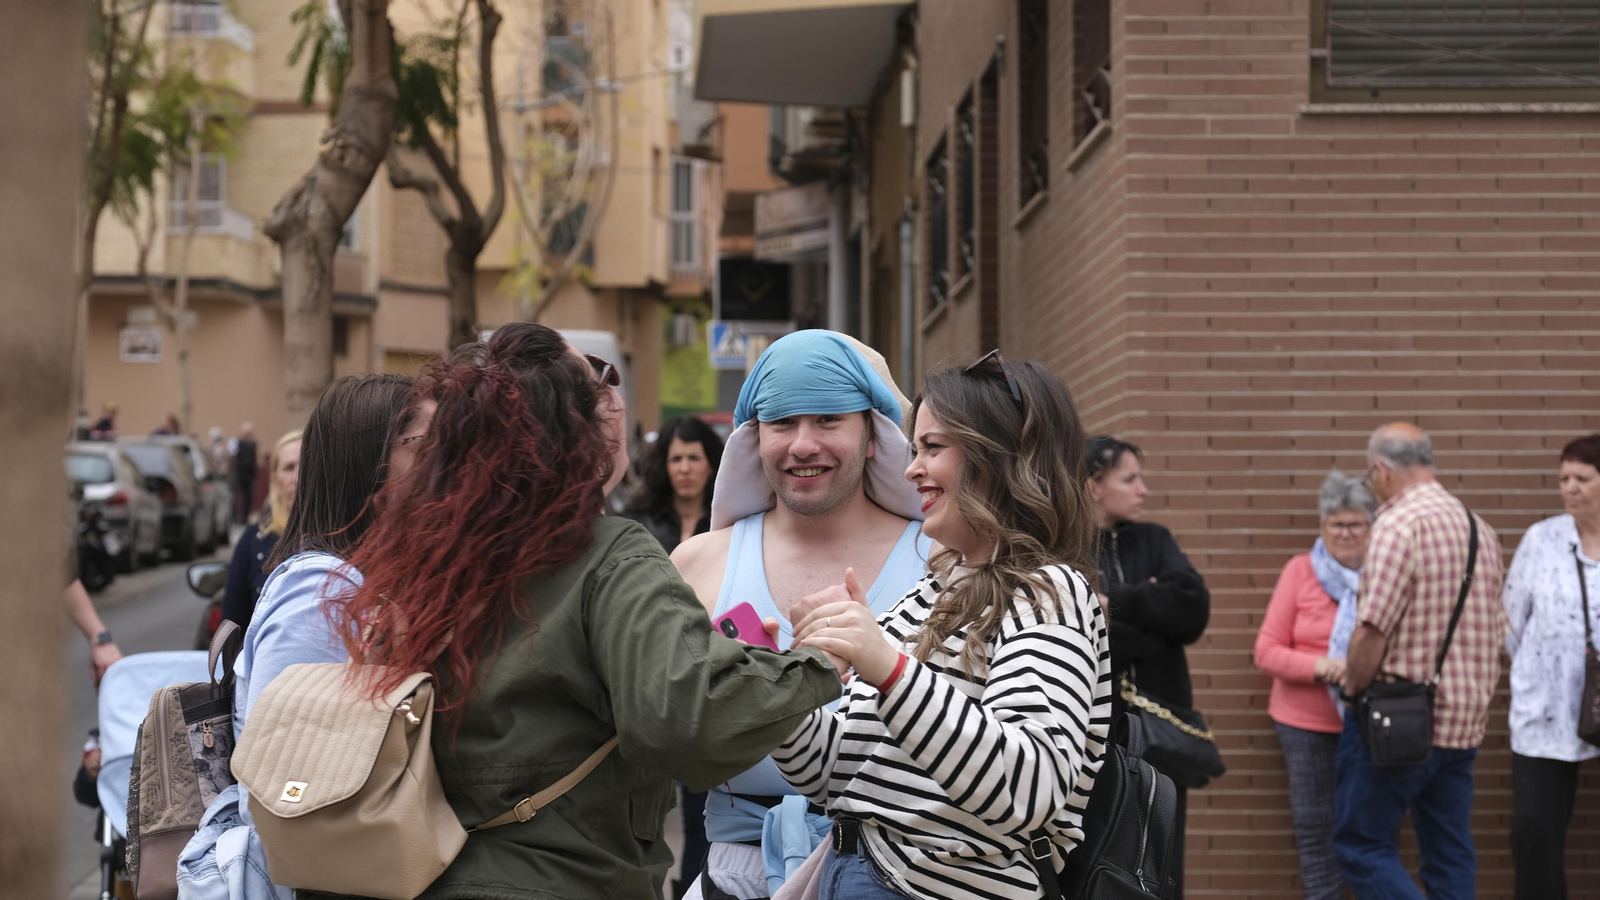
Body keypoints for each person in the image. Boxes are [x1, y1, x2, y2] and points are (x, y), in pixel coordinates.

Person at [300, 323, 847, 900]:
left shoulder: (430, 556)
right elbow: (687, 722)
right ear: (577, 427)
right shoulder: (608, 555)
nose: (614, 395)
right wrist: (815, 664)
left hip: (431, 875)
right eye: (600, 382)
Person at [772, 352, 1111, 900]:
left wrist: (888, 668)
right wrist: (783, 692)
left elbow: (1029, 789)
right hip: (858, 869)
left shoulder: (1049, 593)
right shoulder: (939, 586)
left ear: (997, 456)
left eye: (932, 448)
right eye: (914, 449)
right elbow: (840, 778)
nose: (912, 469)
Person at [672, 331, 932, 900]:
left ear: (872, 435)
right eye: (782, 423)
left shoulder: (940, 561)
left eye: (828, 420)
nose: (803, 445)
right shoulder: (697, 565)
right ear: (753, 437)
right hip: (733, 876)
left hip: (904, 873)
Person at [176, 375, 425, 900]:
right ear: (370, 463)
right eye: (424, 444)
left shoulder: (362, 580)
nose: (446, 464)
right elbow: (288, 787)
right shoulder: (319, 593)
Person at [1336, 422, 1507, 900]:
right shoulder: (1480, 530)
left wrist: (1352, 689)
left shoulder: (1398, 525)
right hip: (1463, 725)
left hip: (1396, 721)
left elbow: (1372, 629)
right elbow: (1496, 627)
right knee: (1449, 852)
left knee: (1361, 844)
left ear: (1379, 470)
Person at [1084, 434, 1209, 896]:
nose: (1143, 490)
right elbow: (1091, 642)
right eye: (1130, 479)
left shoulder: (1155, 538)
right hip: (1099, 738)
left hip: (1162, 736)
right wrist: (1158, 624)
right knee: (1102, 853)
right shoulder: (1070, 546)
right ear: (1094, 485)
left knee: (1164, 858)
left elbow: (1193, 610)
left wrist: (1115, 601)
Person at [1253, 471, 1375, 900]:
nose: (1344, 533)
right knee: (1315, 827)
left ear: (1372, 526)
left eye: (1354, 523)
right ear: (1322, 527)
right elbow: (1266, 651)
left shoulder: (1386, 574)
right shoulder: (1300, 571)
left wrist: (1363, 667)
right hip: (1304, 727)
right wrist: (1324, 665)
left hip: (1370, 723)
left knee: (1368, 829)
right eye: (1334, 524)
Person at [1502, 433, 1600, 900]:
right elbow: (1509, 622)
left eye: (1582, 477)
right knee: (1534, 831)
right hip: (1544, 713)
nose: (1570, 487)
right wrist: (1541, 670)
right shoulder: (1541, 540)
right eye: (1564, 477)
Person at [219, 429, 302, 630]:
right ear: (275, 478)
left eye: (307, 466)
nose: (298, 477)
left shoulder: (342, 537)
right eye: (289, 467)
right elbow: (231, 626)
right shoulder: (253, 541)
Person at [626, 415, 724, 554]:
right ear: (663, 466)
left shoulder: (725, 526)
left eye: (694, 458)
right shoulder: (639, 524)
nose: (685, 469)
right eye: (676, 459)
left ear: (711, 466)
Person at [231, 421, 258, 524]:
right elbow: (233, 457)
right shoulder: (237, 443)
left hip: (250, 474)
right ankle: (236, 518)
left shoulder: (253, 444)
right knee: (237, 496)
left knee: (249, 497)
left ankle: (246, 517)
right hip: (239, 474)